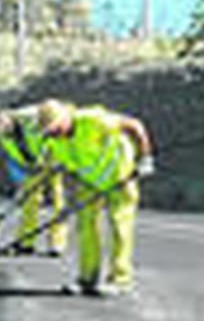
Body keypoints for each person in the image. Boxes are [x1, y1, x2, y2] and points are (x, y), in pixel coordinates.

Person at [39, 99, 154, 296]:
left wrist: (145, 159)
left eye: (55, 128)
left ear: (65, 118)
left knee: (120, 226)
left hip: (120, 176)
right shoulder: (53, 141)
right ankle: (87, 279)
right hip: (90, 182)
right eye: (49, 131)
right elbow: (70, 169)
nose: (54, 133)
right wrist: (70, 200)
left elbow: (135, 126)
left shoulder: (92, 120)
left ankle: (120, 280)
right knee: (85, 226)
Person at [0, 105, 67, 256]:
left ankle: (56, 244)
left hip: (53, 157)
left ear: (11, 121)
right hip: (32, 164)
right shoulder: (3, 135)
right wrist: (24, 173)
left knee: (57, 199)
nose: (6, 135)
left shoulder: (31, 119)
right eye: (3, 133)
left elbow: (51, 134)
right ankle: (26, 242)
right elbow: (13, 156)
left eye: (7, 130)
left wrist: (51, 160)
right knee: (30, 199)